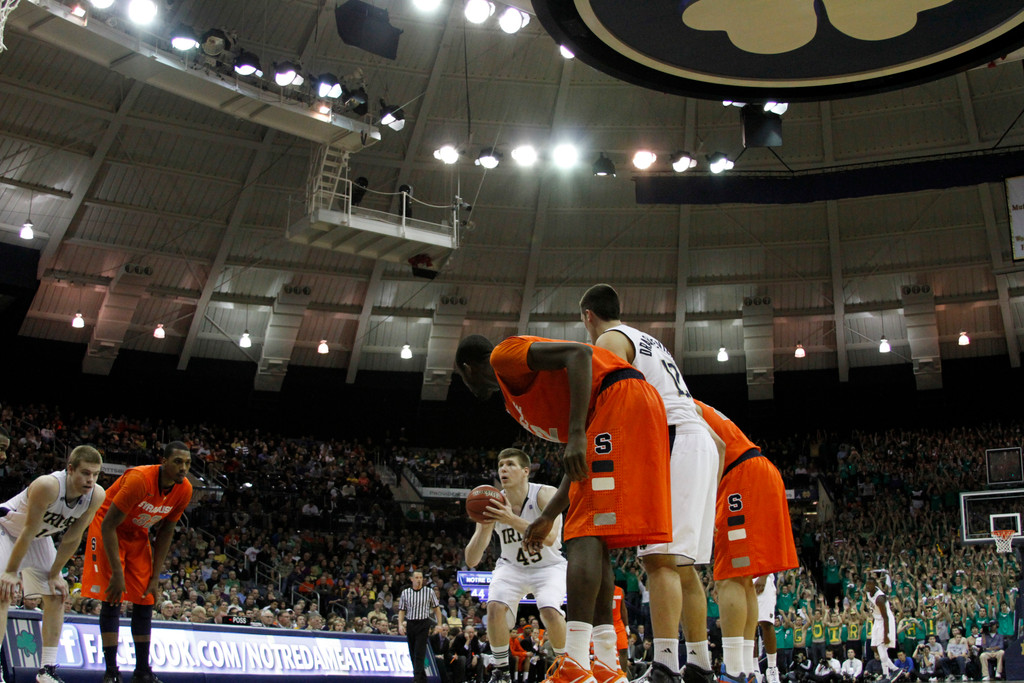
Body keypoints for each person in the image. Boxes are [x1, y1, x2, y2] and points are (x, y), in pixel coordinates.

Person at [454, 334, 671, 683]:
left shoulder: (502, 356)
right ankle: (604, 662)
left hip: (616, 398)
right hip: (625, 404)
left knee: (583, 530)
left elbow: (579, 353)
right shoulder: (512, 398)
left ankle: (574, 660)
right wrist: (548, 516)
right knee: (594, 532)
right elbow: (577, 473)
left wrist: (576, 435)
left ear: (467, 367)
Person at [579, 284, 721, 683]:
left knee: (657, 559)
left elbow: (606, 397)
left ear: (588, 316)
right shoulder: (650, 341)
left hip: (674, 437)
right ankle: (698, 665)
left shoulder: (610, 338)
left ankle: (664, 667)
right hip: (698, 440)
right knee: (684, 566)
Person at [693, 400, 799, 683]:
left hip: (742, 478)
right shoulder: (689, 400)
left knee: (728, 575)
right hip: (757, 472)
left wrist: (709, 504)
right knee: (741, 578)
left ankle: (733, 671)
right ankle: (746, 670)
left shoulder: (675, 403)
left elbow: (718, 446)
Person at [82, 442, 193, 683]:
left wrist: (155, 577)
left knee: (146, 597)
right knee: (113, 597)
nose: (183, 468)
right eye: (177, 462)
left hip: (137, 531)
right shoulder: (140, 479)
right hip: (108, 527)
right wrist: (116, 574)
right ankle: (111, 671)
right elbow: (109, 524)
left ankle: (142, 670)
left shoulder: (184, 490)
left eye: (187, 463)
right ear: (163, 461)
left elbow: (166, 532)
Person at [0, 445, 105, 683]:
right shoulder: (48, 485)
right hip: (6, 529)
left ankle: (46, 670)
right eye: (85, 473)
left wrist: (55, 573)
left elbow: (73, 536)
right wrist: (9, 572)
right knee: (3, 593)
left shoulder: (96, 495)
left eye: (95, 474)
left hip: (38, 537)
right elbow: (27, 530)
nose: (91, 480)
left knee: (57, 594)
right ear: (70, 469)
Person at [464, 448, 567, 683]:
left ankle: (564, 667)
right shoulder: (493, 502)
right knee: (494, 608)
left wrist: (510, 519)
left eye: (510, 464)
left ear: (525, 471)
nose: (503, 469)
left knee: (549, 610)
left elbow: (549, 539)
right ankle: (501, 671)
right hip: (512, 567)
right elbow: (471, 559)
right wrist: (486, 526)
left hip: (548, 567)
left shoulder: (545, 494)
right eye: (500, 465)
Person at [398, 570, 446, 683]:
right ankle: (422, 679)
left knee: (419, 651)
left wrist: (439, 624)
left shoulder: (429, 592)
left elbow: (436, 609)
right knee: (412, 652)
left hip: (423, 623)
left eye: (421, 577)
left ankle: (416, 679)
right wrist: (400, 624)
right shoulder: (405, 592)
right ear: (412, 579)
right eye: (417, 577)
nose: (419, 579)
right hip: (410, 623)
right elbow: (401, 610)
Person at [864, 573, 898, 681]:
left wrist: (886, 635)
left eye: (870, 585)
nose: (868, 587)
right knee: (874, 647)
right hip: (877, 620)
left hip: (885, 621)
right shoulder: (869, 593)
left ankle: (887, 673)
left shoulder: (880, 599)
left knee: (882, 647)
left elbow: (886, 617)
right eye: (867, 585)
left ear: (875, 585)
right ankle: (892, 670)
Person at [756, 574, 781, 683]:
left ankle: (772, 668)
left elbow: (771, 556)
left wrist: (763, 576)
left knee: (766, 623)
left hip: (762, 576)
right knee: (749, 627)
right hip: (743, 575)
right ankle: (754, 669)